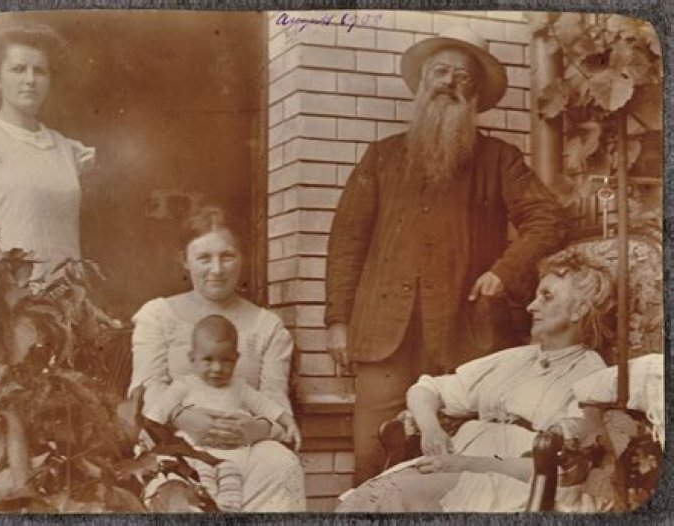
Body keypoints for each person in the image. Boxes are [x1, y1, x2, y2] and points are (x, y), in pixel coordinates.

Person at [325, 25, 571, 483]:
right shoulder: (381, 157)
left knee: (455, 471)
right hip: (384, 341)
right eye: (440, 72)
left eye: (463, 78)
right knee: (372, 463)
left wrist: (504, 271)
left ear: (475, 97)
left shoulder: (500, 159)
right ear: (422, 82)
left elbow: (549, 220)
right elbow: (346, 243)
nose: (449, 83)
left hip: (465, 340)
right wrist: (338, 321)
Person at [336, 250, 614, 512]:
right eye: (536, 296)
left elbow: (561, 468)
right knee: (363, 501)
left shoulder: (590, 377)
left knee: (382, 500)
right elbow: (426, 389)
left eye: (547, 297)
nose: (531, 306)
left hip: (511, 484)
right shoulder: (515, 359)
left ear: (579, 309)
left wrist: (463, 464)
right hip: (456, 466)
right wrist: (431, 430)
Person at [128, 206, 306, 512]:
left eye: (227, 256)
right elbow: (145, 391)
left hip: (246, 445)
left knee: (280, 464)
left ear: (242, 258)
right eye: (204, 258)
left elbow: (275, 402)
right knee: (177, 484)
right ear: (184, 260)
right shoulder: (158, 315)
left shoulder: (267, 326)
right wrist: (183, 418)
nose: (217, 269)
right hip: (175, 438)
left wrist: (257, 429)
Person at [0, 23, 96, 278]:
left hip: (65, 295)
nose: (30, 80)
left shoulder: (66, 149)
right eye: (18, 69)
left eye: (40, 71)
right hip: (5, 295)